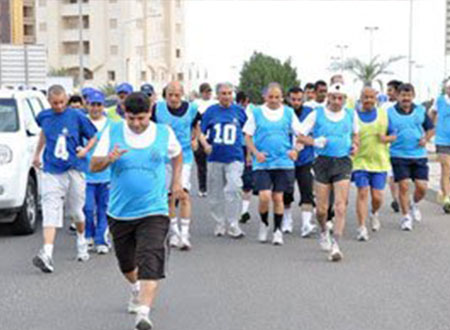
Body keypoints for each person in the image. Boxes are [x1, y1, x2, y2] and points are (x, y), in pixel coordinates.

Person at [90, 92, 182, 330]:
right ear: (125, 114)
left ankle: (143, 314)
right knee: (127, 265)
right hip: (120, 212)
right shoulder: (113, 132)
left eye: (141, 118)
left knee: (150, 257)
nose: (136, 124)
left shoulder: (164, 133)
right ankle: (135, 289)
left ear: (150, 113)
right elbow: (93, 165)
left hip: (154, 209)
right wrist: (109, 158)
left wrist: (176, 182)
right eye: (131, 118)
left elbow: (177, 155)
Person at [32, 85, 97, 273]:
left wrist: (85, 150)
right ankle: (47, 253)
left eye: (61, 102)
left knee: (76, 211)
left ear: (67, 100)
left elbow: (93, 136)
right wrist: (37, 153)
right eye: (54, 103)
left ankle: (82, 239)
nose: (58, 106)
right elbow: (44, 133)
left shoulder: (76, 116)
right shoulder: (43, 116)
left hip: (74, 168)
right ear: (48, 101)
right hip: (52, 170)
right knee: (50, 208)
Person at [298, 83, 359, 262]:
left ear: (345, 100)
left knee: (340, 205)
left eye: (340, 98)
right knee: (322, 210)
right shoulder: (316, 114)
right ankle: (324, 230)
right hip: (322, 162)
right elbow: (300, 135)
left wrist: (355, 145)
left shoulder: (350, 114)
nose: (337, 101)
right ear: (328, 97)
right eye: (333, 97)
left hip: (342, 162)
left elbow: (356, 135)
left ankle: (336, 244)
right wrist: (315, 141)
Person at [243, 83, 302, 246]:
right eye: (271, 97)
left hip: (283, 161)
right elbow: (248, 136)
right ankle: (264, 223)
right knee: (264, 196)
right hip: (263, 162)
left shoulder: (289, 113)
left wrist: (295, 150)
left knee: (278, 197)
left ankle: (277, 230)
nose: (274, 100)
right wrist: (256, 153)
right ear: (265, 97)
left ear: (282, 97)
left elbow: (300, 134)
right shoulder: (257, 113)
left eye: (277, 97)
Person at [153, 81, 200, 250]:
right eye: (170, 95)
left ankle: (185, 234)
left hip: (185, 155)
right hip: (164, 158)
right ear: (165, 95)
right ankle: (174, 231)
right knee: (169, 197)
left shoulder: (192, 109)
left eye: (177, 95)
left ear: (182, 94)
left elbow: (196, 125)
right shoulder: (157, 109)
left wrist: (195, 138)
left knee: (183, 194)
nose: (173, 98)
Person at [198, 83, 247, 238]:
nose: (226, 96)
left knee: (234, 187)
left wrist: (249, 153)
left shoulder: (239, 111)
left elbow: (248, 132)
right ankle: (219, 222)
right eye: (223, 93)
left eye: (229, 93)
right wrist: (205, 144)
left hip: (235, 156)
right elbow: (200, 131)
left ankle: (233, 223)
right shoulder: (211, 111)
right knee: (215, 193)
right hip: (215, 157)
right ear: (217, 95)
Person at [388, 83, 435, 231]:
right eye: (403, 95)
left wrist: (425, 139)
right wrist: (388, 138)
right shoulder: (390, 112)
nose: (406, 98)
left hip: (418, 155)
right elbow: (383, 132)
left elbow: (431, 129)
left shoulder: (420, 111)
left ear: (413, 96)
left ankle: (414, 204)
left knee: (422, 187)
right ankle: (406, 217)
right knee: (403, 186)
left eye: (408, 95)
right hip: (398, 154)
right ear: (397, 96)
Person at [351, 87, 392, 241]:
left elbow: (394, 134)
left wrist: (386, 139)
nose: (368, 100)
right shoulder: (354, 116)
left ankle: (374, 213)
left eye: (371, 97)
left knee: (378, 196)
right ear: (360, 98)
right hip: (360, 161)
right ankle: (361, 227)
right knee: (362, 192)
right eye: (365, 97)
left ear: (376, 98)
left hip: (379, 162)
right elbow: (349, 134)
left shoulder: (383, 115)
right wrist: (352, 144)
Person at [282, 87, 317, 237]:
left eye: (299, 99)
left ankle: (306, 224)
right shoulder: (283, 113)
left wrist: (306, 144)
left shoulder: (310, 113)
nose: (296, 102)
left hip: (305, 158)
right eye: (293, 99)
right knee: (286, 192)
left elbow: (313, 134)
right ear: (288, 99)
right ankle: (287, 220)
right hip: (287, 159)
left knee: (307, 191)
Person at [83, 90, 111, 254]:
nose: (95, 108)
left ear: (103, 106)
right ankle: (89, 234)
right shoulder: (81, 122)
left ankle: (101, 239)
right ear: (87, 105)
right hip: (85, 174)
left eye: (99, 105)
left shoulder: (111, 125)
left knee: (103, 208)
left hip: (106, 174)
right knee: (87, 208)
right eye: (92, 104)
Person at [430, 80, 450, 213]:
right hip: (442, 139)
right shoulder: (440, 100)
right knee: (446, 167)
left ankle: (444, 192)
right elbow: (432, 114)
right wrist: (430, 129)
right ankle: (447, 198)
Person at [383, 80, 403, 213]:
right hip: (390, 144)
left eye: (390, 90)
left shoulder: (405, 106)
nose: (387, 92)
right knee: (392, 173)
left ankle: (400, 197)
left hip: (405, 145)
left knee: (401, 174)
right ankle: (395, 198)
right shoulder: (384, 106)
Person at [194, 82, 216, 197]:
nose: (208, 94)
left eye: (210, 91)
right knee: (201, 165)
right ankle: (202, 188)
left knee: (214, 165)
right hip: (200, 137)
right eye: (206, 91)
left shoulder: (215, 104)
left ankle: (214, 187)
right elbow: (193, 123)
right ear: (201, 92)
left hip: (212, 138)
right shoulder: (196, 105)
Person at [236, 91, 253, 224]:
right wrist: (249, 154)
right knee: (245, 182)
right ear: (245, 100)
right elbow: (249, 134)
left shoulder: (232, 111)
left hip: (236, 148)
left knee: (240, 181)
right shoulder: (245, 113)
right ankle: (242, 210)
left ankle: (242, 211)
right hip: (242, 147)